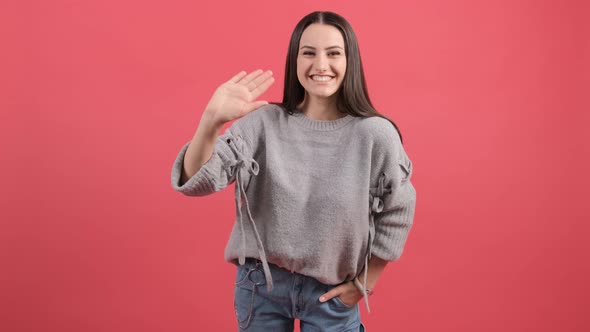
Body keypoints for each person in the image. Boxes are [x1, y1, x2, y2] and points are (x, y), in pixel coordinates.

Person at [171, 11, 416, 332]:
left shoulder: (374, 134)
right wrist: (211, 120)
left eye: (333, 53)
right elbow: (197, 182)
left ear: (350, 60)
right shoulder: (263, 123)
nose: (321, 65)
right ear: (294, 60)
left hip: (331, 293)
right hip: (261, 286)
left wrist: (364, 284)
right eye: (309, 53)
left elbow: (399, 208)